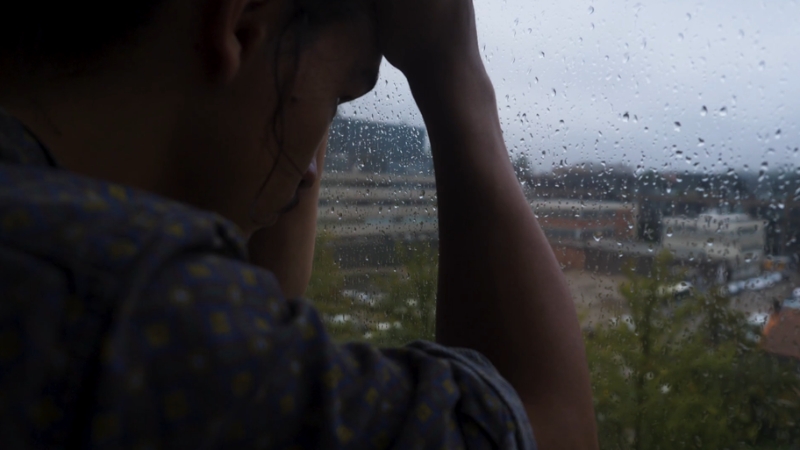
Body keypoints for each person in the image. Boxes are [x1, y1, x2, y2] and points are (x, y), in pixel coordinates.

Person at [0, 0, 598, 448]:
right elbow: (545, 425)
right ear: (240, 23)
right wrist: (453, 70)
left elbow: (260, 310)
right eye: (340, 97)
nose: (311, 175)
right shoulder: (125, 304)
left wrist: (294, 76)